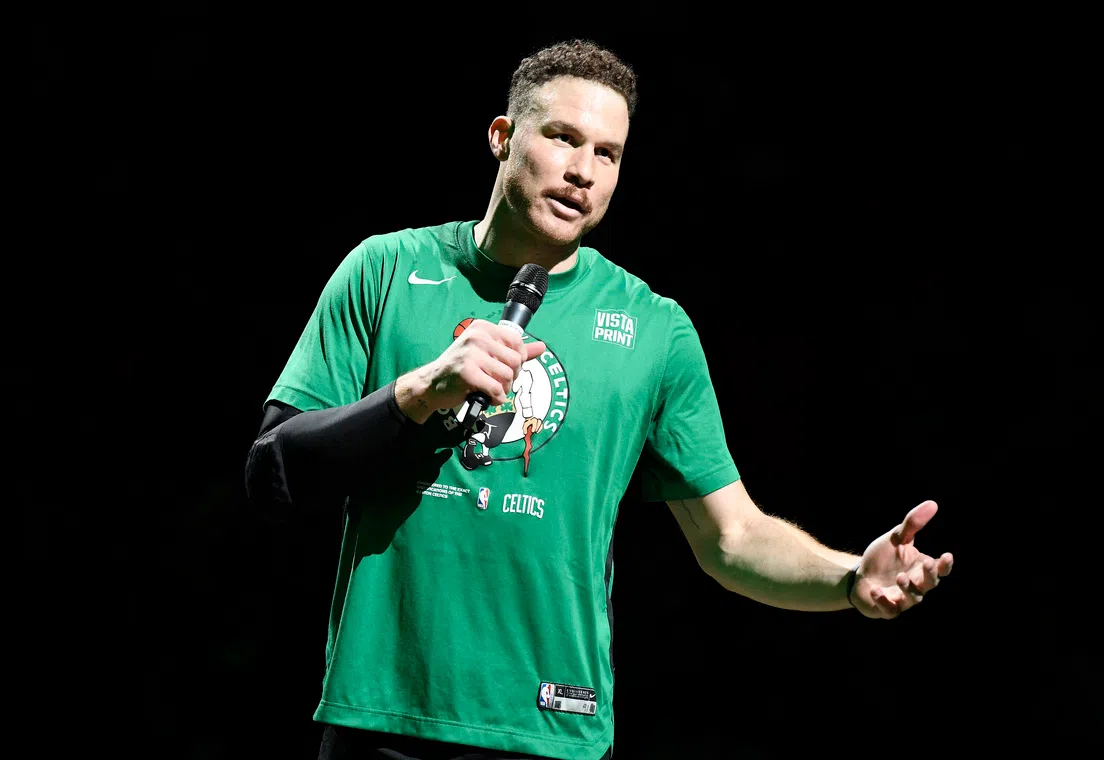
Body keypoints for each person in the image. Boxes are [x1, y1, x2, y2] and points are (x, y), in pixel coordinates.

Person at [244, 38, 954, 760]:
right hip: (383, 719)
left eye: (608, 154)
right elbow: (273, 471)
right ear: (502, 137)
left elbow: (732, 539)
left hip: (555, 726)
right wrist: (418, 390)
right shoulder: (386, 270)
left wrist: (847, 577)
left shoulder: (655, 329)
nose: (583, 171)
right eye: (562, 138)